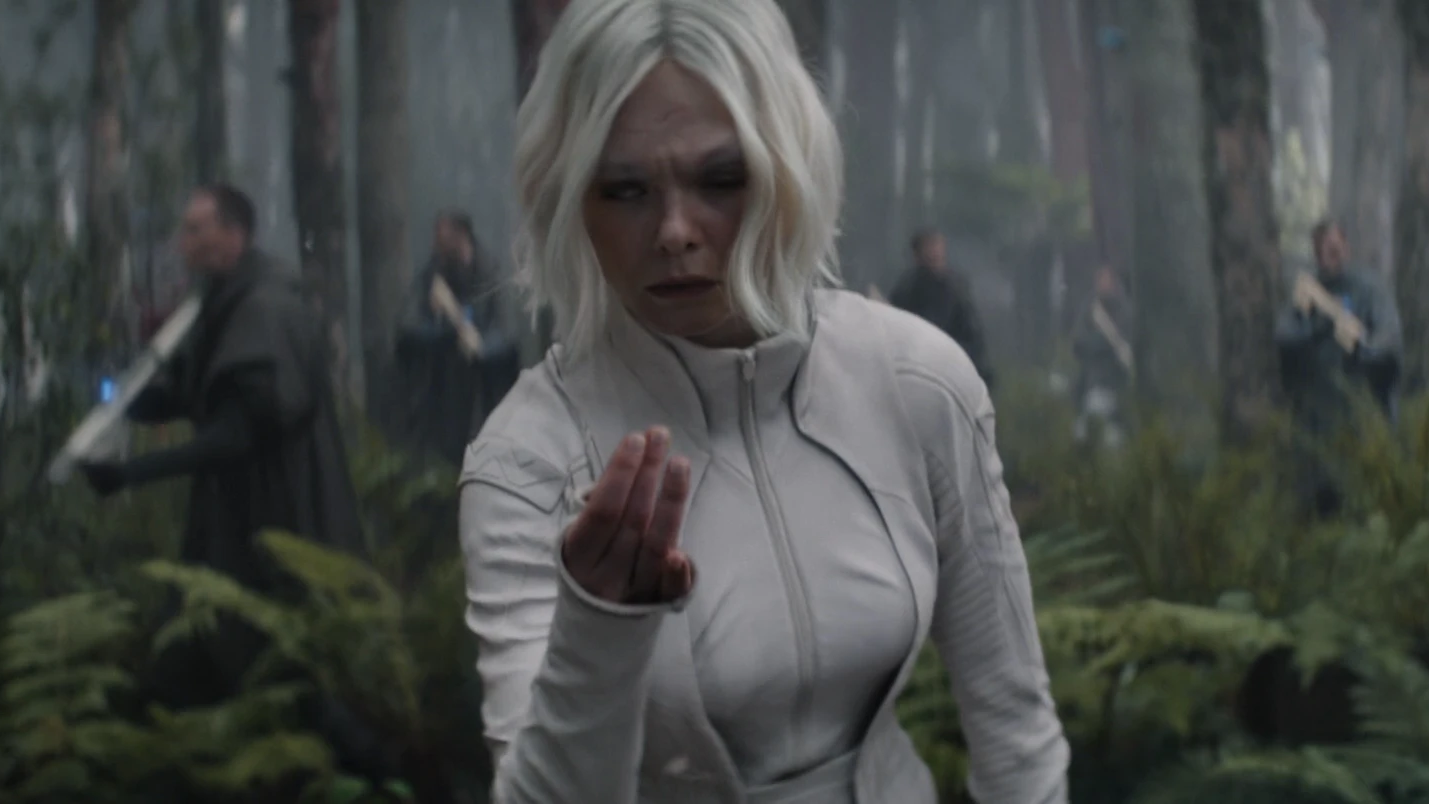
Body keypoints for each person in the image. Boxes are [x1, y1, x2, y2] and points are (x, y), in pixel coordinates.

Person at [456, 1, 1069, 802]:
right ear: (570, 197)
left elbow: (1018, 737)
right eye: (627, 189)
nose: (675, 230)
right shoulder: (525, 460)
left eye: (720, 179)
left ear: (787, 168)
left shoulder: (914, 380)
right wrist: (597, 632)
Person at [75, 184, 385, 787]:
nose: (183, 243)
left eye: (196, 230)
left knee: (291, 680)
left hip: (277, 531)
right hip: (234, 529)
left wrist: (131, 475)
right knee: (206, 671)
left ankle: (386, 781)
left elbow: (235, 434)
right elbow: (196, 394)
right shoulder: (225, 302)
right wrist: (123, 399)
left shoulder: (265, 309)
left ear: (234, 235)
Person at [1276, 220, 1402, 517]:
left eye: (1336, 248)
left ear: (1346, 248)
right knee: (1319, 507)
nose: (1332, 256)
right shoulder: (1308, 294)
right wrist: (1317, 328)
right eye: (1325, 250)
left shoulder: (1369, 290)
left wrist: (1363, 348)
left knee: (1362, 500)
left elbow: (1388, 339)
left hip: (1361, 419)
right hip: (1316, 427)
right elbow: (1285, 335)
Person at [396, 210, 517, 465]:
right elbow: (410, 326)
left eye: (441, 237)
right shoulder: (434, 274)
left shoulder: (489, 272)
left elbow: (505, 334)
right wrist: (447, 327)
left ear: (461, 235)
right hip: (446, 387)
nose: (435, 244)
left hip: (487, 385)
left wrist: (478, 344)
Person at [888, 229, 994, 387]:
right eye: (930, 248)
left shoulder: (955, 287)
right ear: (917, 254)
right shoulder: (907, 289)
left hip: (958, 361)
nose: (935, 253)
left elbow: (970, 332)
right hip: (920, 365)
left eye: (937, 247)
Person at [1069, 265, 1132, 449]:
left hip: (1116, 383)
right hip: (1091, 381)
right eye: (1101, 280)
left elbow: (1125, 343)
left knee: (1113, 437)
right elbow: (1079, 342)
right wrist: (1099, 344)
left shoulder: (1123, 310)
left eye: (1108, 280)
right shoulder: (1090, 309)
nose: (1104, 284)